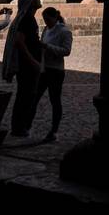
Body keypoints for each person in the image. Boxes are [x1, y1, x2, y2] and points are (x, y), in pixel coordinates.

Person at [3, 0, 43, 136]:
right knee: (26, 96)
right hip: (27, 65)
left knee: (25, 95)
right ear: (31, 2)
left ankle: (19, 127)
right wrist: (33, 61)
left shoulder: (27, 18)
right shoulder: (27, 19)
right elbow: (20, 42)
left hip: (28, 64)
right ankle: (19, 128)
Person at [38, 7, 72, 141]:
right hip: (44, 69)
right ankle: (27, 126)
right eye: (44, 19)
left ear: (54, 18)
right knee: (35, 97)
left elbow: (66, 51)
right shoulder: (46, 29)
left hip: (56, 70)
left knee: (55, 100)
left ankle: (54, 130)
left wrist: (48, 47)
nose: (46, 22)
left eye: (47, 19)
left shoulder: (64, 31)